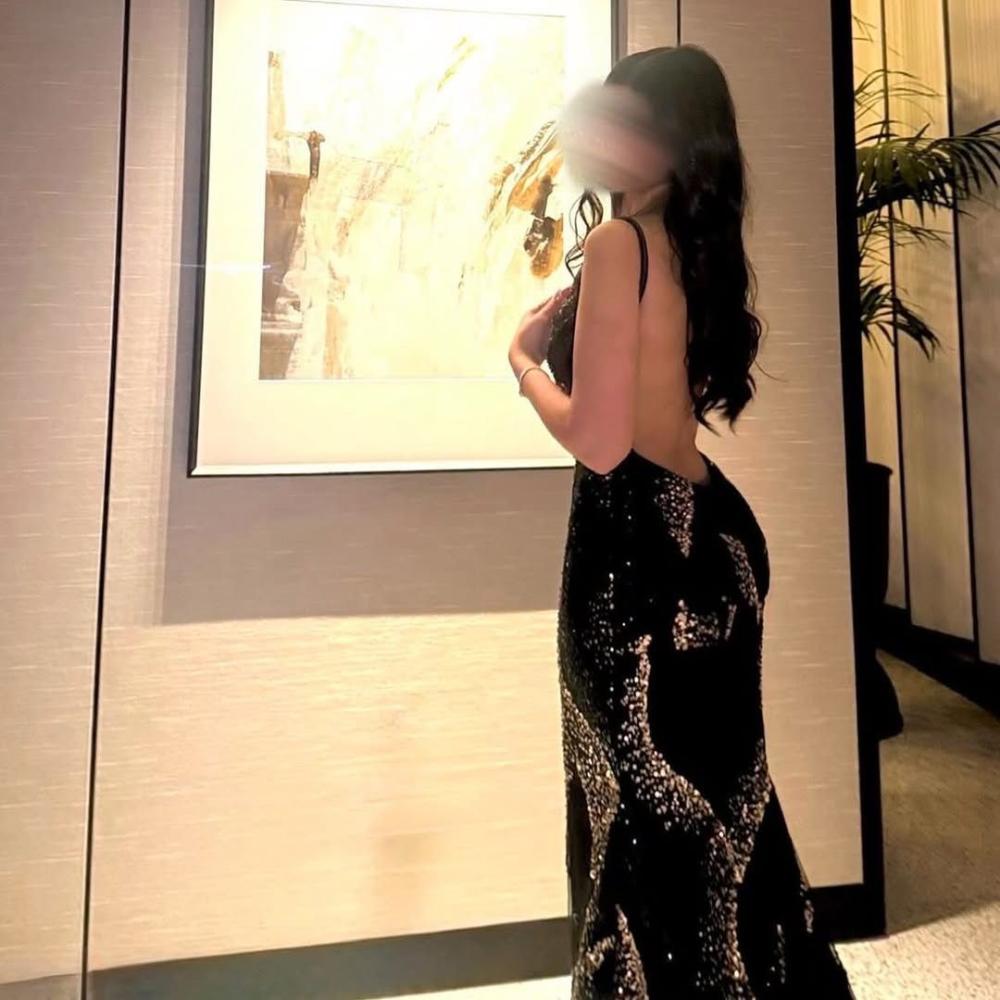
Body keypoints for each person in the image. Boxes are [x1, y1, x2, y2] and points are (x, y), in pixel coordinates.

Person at [506, 45, 856, 999]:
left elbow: (600, 442)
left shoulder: (622, 245)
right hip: (710, 539)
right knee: (726, 804)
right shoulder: (692, 245)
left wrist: (525, 362)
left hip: (636, 559)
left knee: (637, 819)